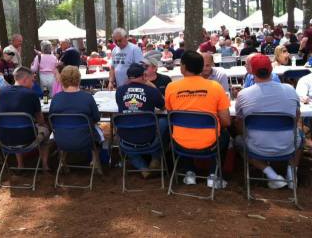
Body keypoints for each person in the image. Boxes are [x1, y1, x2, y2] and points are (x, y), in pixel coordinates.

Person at [235, 54, 302, 189]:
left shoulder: (243, 94)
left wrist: (248, 135)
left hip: (257, 147)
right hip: (288, 146)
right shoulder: (290, 89)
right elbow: (297, 116)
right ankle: (291, 172)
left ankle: (272, 175)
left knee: (238, 141)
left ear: (252, 71)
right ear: (271, 69)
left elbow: (238, 123)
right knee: (300, 136)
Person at [165, 51, 230, 188]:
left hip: (180, 143)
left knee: (184, 129)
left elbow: (171, 116)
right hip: (209, 144)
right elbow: (226, 121)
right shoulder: (215, 87)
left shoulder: (171, 88)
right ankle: (213, 175)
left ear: (183, 67)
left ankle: (189, 173)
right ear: (201, 67)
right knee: (224, 134)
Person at [116, 63, 167, 177]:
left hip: (126, 139)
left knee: (126, 145)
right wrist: (151, 85)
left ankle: (142, 167)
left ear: (128, 77)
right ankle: (155, 158)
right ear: (144, 75)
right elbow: (164, 107)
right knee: (164, 122)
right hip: (149, 138)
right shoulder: (152, 91)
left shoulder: (119, 91)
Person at [49, 66, 103, 173]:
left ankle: (63, 162)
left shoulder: (56, 98)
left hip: (61, 140)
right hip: (85, 139)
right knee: (97, 134)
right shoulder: (87, 97)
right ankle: (95, 161)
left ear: (62, 80)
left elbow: (52, 118)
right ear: (78, 79)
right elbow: (96, 118)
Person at [0, 67, 50, 170]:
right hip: (27, 140)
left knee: (15, 126)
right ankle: (45, 165)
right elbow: (41, 120)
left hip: (5, 139)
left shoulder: (2, 92)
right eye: (32, 80)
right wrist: (43, 124)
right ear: (25, 80)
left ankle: (20, 165)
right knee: (46, 130)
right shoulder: (31, 94)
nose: (33, 84)